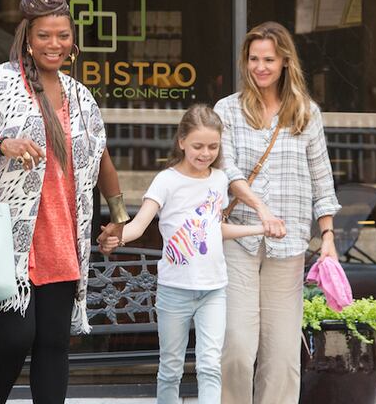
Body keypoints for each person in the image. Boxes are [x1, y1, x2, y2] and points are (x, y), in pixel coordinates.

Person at [0, 0, 129, 404]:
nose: (55, 44)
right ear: (27, 38)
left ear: (73, 41)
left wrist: (119, 216)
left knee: (53, 344)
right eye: (44, 35)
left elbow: (101, 157)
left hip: (62, 237)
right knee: (16, 337)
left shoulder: (80, 96)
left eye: (62, 36)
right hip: (8, 239)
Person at [98, 105, 279, 404]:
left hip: (214, 289)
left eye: (213, 146)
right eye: (198, 146)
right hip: (174, 290)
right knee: (170, 369)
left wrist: (260, 229)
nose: (205, 153)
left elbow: (214, 229)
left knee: (210, 366)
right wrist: (116, 237)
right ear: (181, 141)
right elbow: (139, 225)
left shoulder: (220, 180)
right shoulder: (166, 181)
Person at [213, 21, 341, 404]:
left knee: (283, 355)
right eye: (253, 59)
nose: (260, 67)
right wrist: (260, 209)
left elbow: (322, 178)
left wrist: (329, 237)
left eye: (269, 59)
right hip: (240, 239)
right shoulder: (229, 110)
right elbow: (227, 169)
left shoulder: (306, 113)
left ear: (285, 61)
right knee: (236, 344)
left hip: (289, 247)